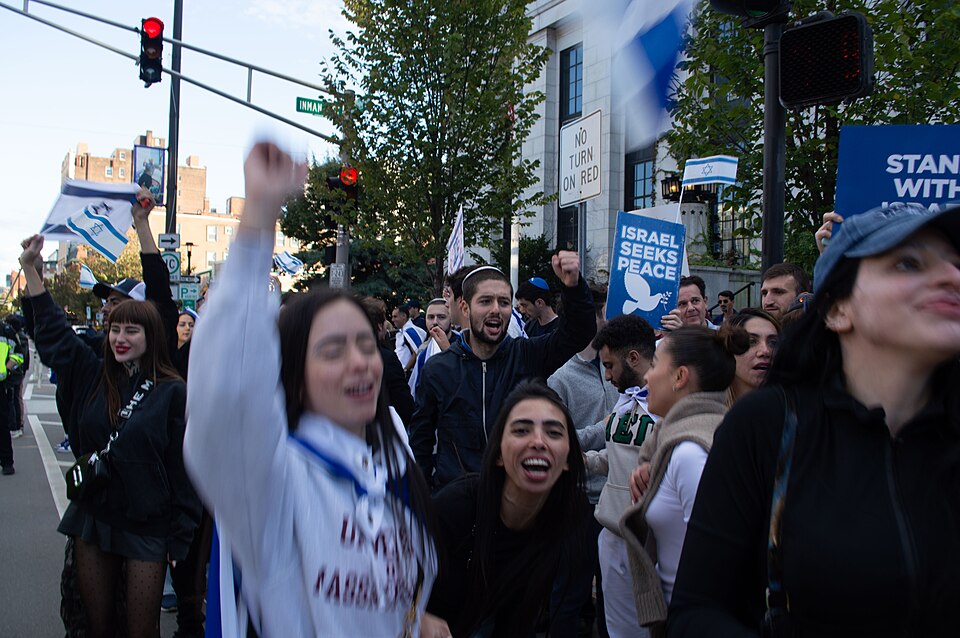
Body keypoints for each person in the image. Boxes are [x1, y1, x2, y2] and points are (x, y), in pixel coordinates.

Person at [667, 203, 960, 637]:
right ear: (838, 310)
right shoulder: (767, 425)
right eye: (908, 263)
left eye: (957, 264)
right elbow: (697, 611)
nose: (952, 278)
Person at [184, 142, 436, 636]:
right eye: (333, 350)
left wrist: (414, 618)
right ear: (291, 371)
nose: (359, 362)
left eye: (366, 345)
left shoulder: (392, 450)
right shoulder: (272, 475)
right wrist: (259, 217)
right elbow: (228, 396)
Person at [19, 233, 200, 638]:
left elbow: (182, 468)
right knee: (95, 628)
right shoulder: (90, 372)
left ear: (152, 335)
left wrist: (180, 537)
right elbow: (52, 335)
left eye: (131, 330)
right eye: (114, 328)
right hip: (95, 520)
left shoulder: (171, 390)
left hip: (147, 527)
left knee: (141, 630)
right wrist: (32, 270)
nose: (120, 338)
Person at [410, 256, 596, 492]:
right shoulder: (438, 370)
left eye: (504, 302)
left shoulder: (528, 356)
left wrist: (573, 286)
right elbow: (421, 442)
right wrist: (425, 500)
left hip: (519, 504)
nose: (496, 310)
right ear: (465, 308)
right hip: (458, 504)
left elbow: (578, 333)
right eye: (486, 301)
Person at [423, 381, 591, 638]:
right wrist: (417, 618)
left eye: (554, 433)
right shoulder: (454, 507)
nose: (538, 441)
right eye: (522, 430)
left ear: (569, 459)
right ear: (499, 453)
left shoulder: (570, 521)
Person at [617, 326, 748, 636]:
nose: (646, 377)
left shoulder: (691, 454)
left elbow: (716, 561)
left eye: (654, 365)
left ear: (680, 377)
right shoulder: (679, 446)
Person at [578, 314, 658, 638]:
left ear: (634, 358)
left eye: (610, 366)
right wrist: (585, 461)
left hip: (649, 538)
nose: (607, 375)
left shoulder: (667, 401)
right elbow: (618, 458)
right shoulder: (624, 402)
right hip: (612, 530)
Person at [720, 309, 780, 405]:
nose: (765, 351)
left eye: (773, 342)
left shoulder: (793, 413)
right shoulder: (708, 414)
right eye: (751, 342)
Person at [407, 297, 453, 395]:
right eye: (431, 317)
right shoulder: (423, 351)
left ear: (451, 319)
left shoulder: (464, 343)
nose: (435, 322)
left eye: (441, 317)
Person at [0, 317, 26, 475]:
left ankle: (7, 461)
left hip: (0, 385)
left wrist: (6, 369)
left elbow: (18, 356)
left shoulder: (6, 331)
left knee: (2, 425)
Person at [392, 304, 427, 374]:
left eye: (395, 317)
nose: (392, 320)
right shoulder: (401, 332)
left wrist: (405, 370)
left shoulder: (410, 332)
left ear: (404, 316)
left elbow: (416, 353)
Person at [171, 308, 196, 380]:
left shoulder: (197, 353)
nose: (187, 328)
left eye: (191, 325)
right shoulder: (167, 351)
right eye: (182, 325)